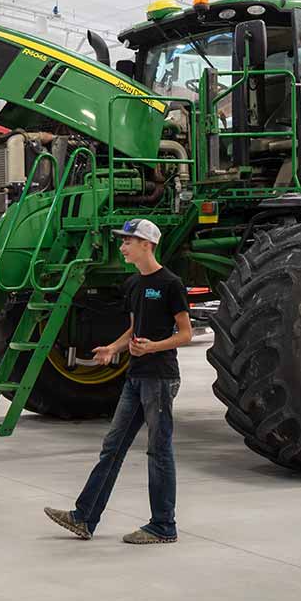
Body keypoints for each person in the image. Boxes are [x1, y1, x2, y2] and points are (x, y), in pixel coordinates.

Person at [45, 219, 193, 545]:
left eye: (129, 241)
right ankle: (84, 518)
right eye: (123, 241)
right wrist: (114, 347)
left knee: (159, 452)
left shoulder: (171, 284)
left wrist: (153, 346)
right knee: (112, 447)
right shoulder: (133, 285)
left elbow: (185, 333)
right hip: (136, 377)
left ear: (147, 245)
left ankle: (163, 526)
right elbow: (134, 329)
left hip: (160, 378)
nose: (123, 247)